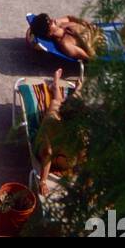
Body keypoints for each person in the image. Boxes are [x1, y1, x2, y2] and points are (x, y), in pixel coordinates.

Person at [34, 68, 87, 196]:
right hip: (49, 154)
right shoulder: (52, 123)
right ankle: (58, 86)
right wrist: (43, 181)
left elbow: (83, 159)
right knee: (55, 104)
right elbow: (47, 154)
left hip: (64, 159)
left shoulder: (79, 132)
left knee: (56, 104)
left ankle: (60, 86)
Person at [29, 12, 101, 62]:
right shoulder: (66, 44)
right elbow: (90, 57)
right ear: (49, 34)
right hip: (104, 44)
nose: (53, 20)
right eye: (50, 22)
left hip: (98, 30)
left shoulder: (60, 24)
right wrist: (81, 37)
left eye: (49, 18)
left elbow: (69, 18)